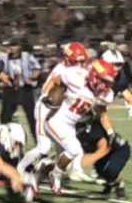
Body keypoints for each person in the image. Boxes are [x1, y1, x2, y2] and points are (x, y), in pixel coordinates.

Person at [17, 43, 89, 181]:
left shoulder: (76, 72)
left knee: (68, 150)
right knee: (43, 147)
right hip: (46, 108)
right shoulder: (62, 70)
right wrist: (52, 99)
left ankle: (44, 169)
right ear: (68, 59)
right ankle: (19, 169)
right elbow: (48, 91)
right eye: (76, 61)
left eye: (81, 61)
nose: (79, 64)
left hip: (59, 112)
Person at [45, 60, 115, 195]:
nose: (105, 87)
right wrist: (46, 97)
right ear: (94, 76)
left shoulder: (102, 95)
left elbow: (102, 113)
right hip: (56, 120)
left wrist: (110, 131)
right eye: (103, 82)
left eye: (108, 83)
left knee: (67, 158)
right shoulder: (75, 77)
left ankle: (36, 172)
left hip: (70, 126)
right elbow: (55, 81)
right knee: (74, 150)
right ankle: (55, 175)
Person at [76, 118, 130, 199]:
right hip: (105, 151)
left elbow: (103, 149)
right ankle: (109, 184)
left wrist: (82, 162)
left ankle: (120, 185)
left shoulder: (94, 130)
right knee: (101, 172)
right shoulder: (78, 133)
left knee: (111, 171)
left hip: (118, 149)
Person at [0, 39, 41, 140]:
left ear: (19, 47)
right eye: (11, 46)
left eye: (14, 46)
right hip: (10, 90)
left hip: (25, 90)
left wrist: (31, 78)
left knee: (32, 118)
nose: (12, 48)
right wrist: (4, 81)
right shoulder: (5, 59)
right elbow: (1, 72)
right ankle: (6, 140)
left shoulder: (26, 57)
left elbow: (37, 68)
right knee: (5, 118)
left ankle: (39, 141)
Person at [101, 49, 132, 118]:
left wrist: (131, 104)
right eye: (112, 65)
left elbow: (128, 96)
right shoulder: (94, 76)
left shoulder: (120, 78)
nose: (116, 68)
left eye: (118, 65)